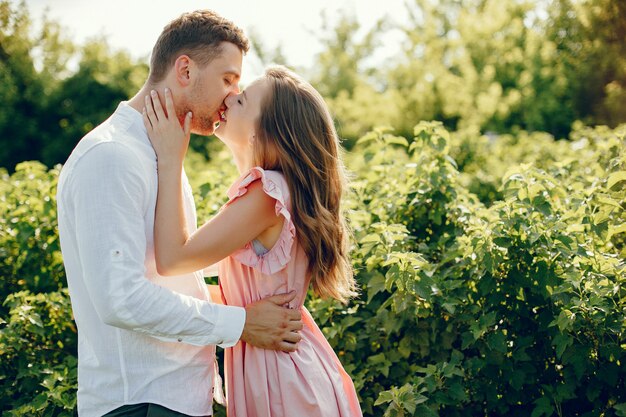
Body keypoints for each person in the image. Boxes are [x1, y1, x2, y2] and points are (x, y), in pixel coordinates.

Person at [56, 11, 302, 417]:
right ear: (184, 69)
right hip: (141, 400)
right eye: (227, 79)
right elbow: (120, 299)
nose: (231, 95)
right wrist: (239, 323)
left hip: (176, 396)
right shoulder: (112, 156)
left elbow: (168, 279)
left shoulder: (161, 149)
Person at [142, 65, 363, 416]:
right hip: (281, 370)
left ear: (265, 133)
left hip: (284, 379)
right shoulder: (272, 195)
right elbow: (234, 293)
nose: (229, 98)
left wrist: (171, 158)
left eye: (242, 100)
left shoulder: (267, 194)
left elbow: (172, 259)